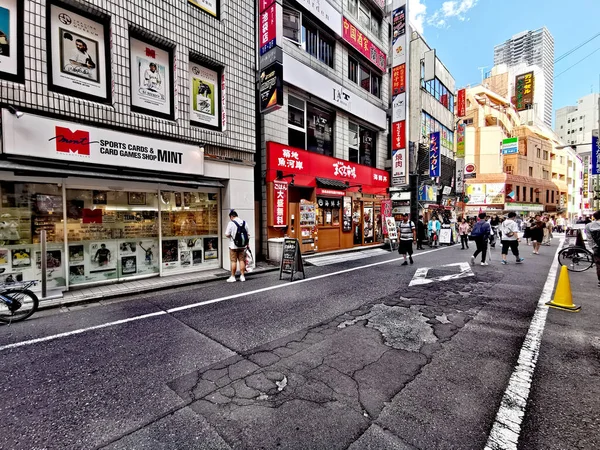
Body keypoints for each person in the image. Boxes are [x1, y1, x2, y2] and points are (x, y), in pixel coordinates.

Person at [225, 209, 250, 282]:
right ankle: (242, 276)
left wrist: (231, 236)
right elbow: (248, 234)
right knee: (242, 260)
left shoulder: (231, 223)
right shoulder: (244, 223)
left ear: (231, 216)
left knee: (233, 261)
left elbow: (226, 234)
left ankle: (233, 277)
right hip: (242, 245)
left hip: (233, 246)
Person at [584, 210, 600, 287]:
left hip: (597, 247)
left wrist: (593, 247)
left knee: (599, 264)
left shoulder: (588, 226)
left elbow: (589, 238)